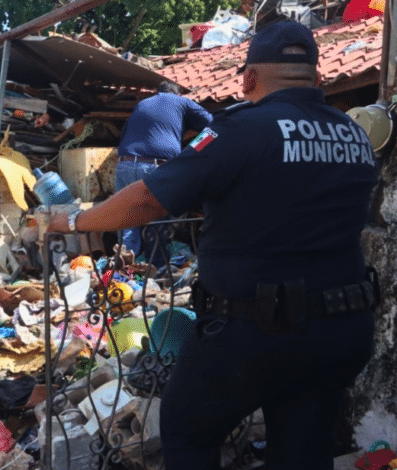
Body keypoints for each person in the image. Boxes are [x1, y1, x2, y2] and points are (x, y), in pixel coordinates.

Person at [49, 21, 378, 470]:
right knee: (302, 448)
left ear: (247, 79)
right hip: (342, 331)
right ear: (317, 78)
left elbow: (147, 198)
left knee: (187, 430)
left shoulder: (241, 130)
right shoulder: (355, 135)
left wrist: (71, 219)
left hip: (254, 335)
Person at [116, 80, 212, 260]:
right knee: (157, 220)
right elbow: (214, 126)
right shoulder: (182, 102)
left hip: (125, 165)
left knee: (126, 221)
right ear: (177, 94)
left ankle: (122, 272)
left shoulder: (142, 104)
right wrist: (195, 149)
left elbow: (124, 133)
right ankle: (156, 273)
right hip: (155, 167)